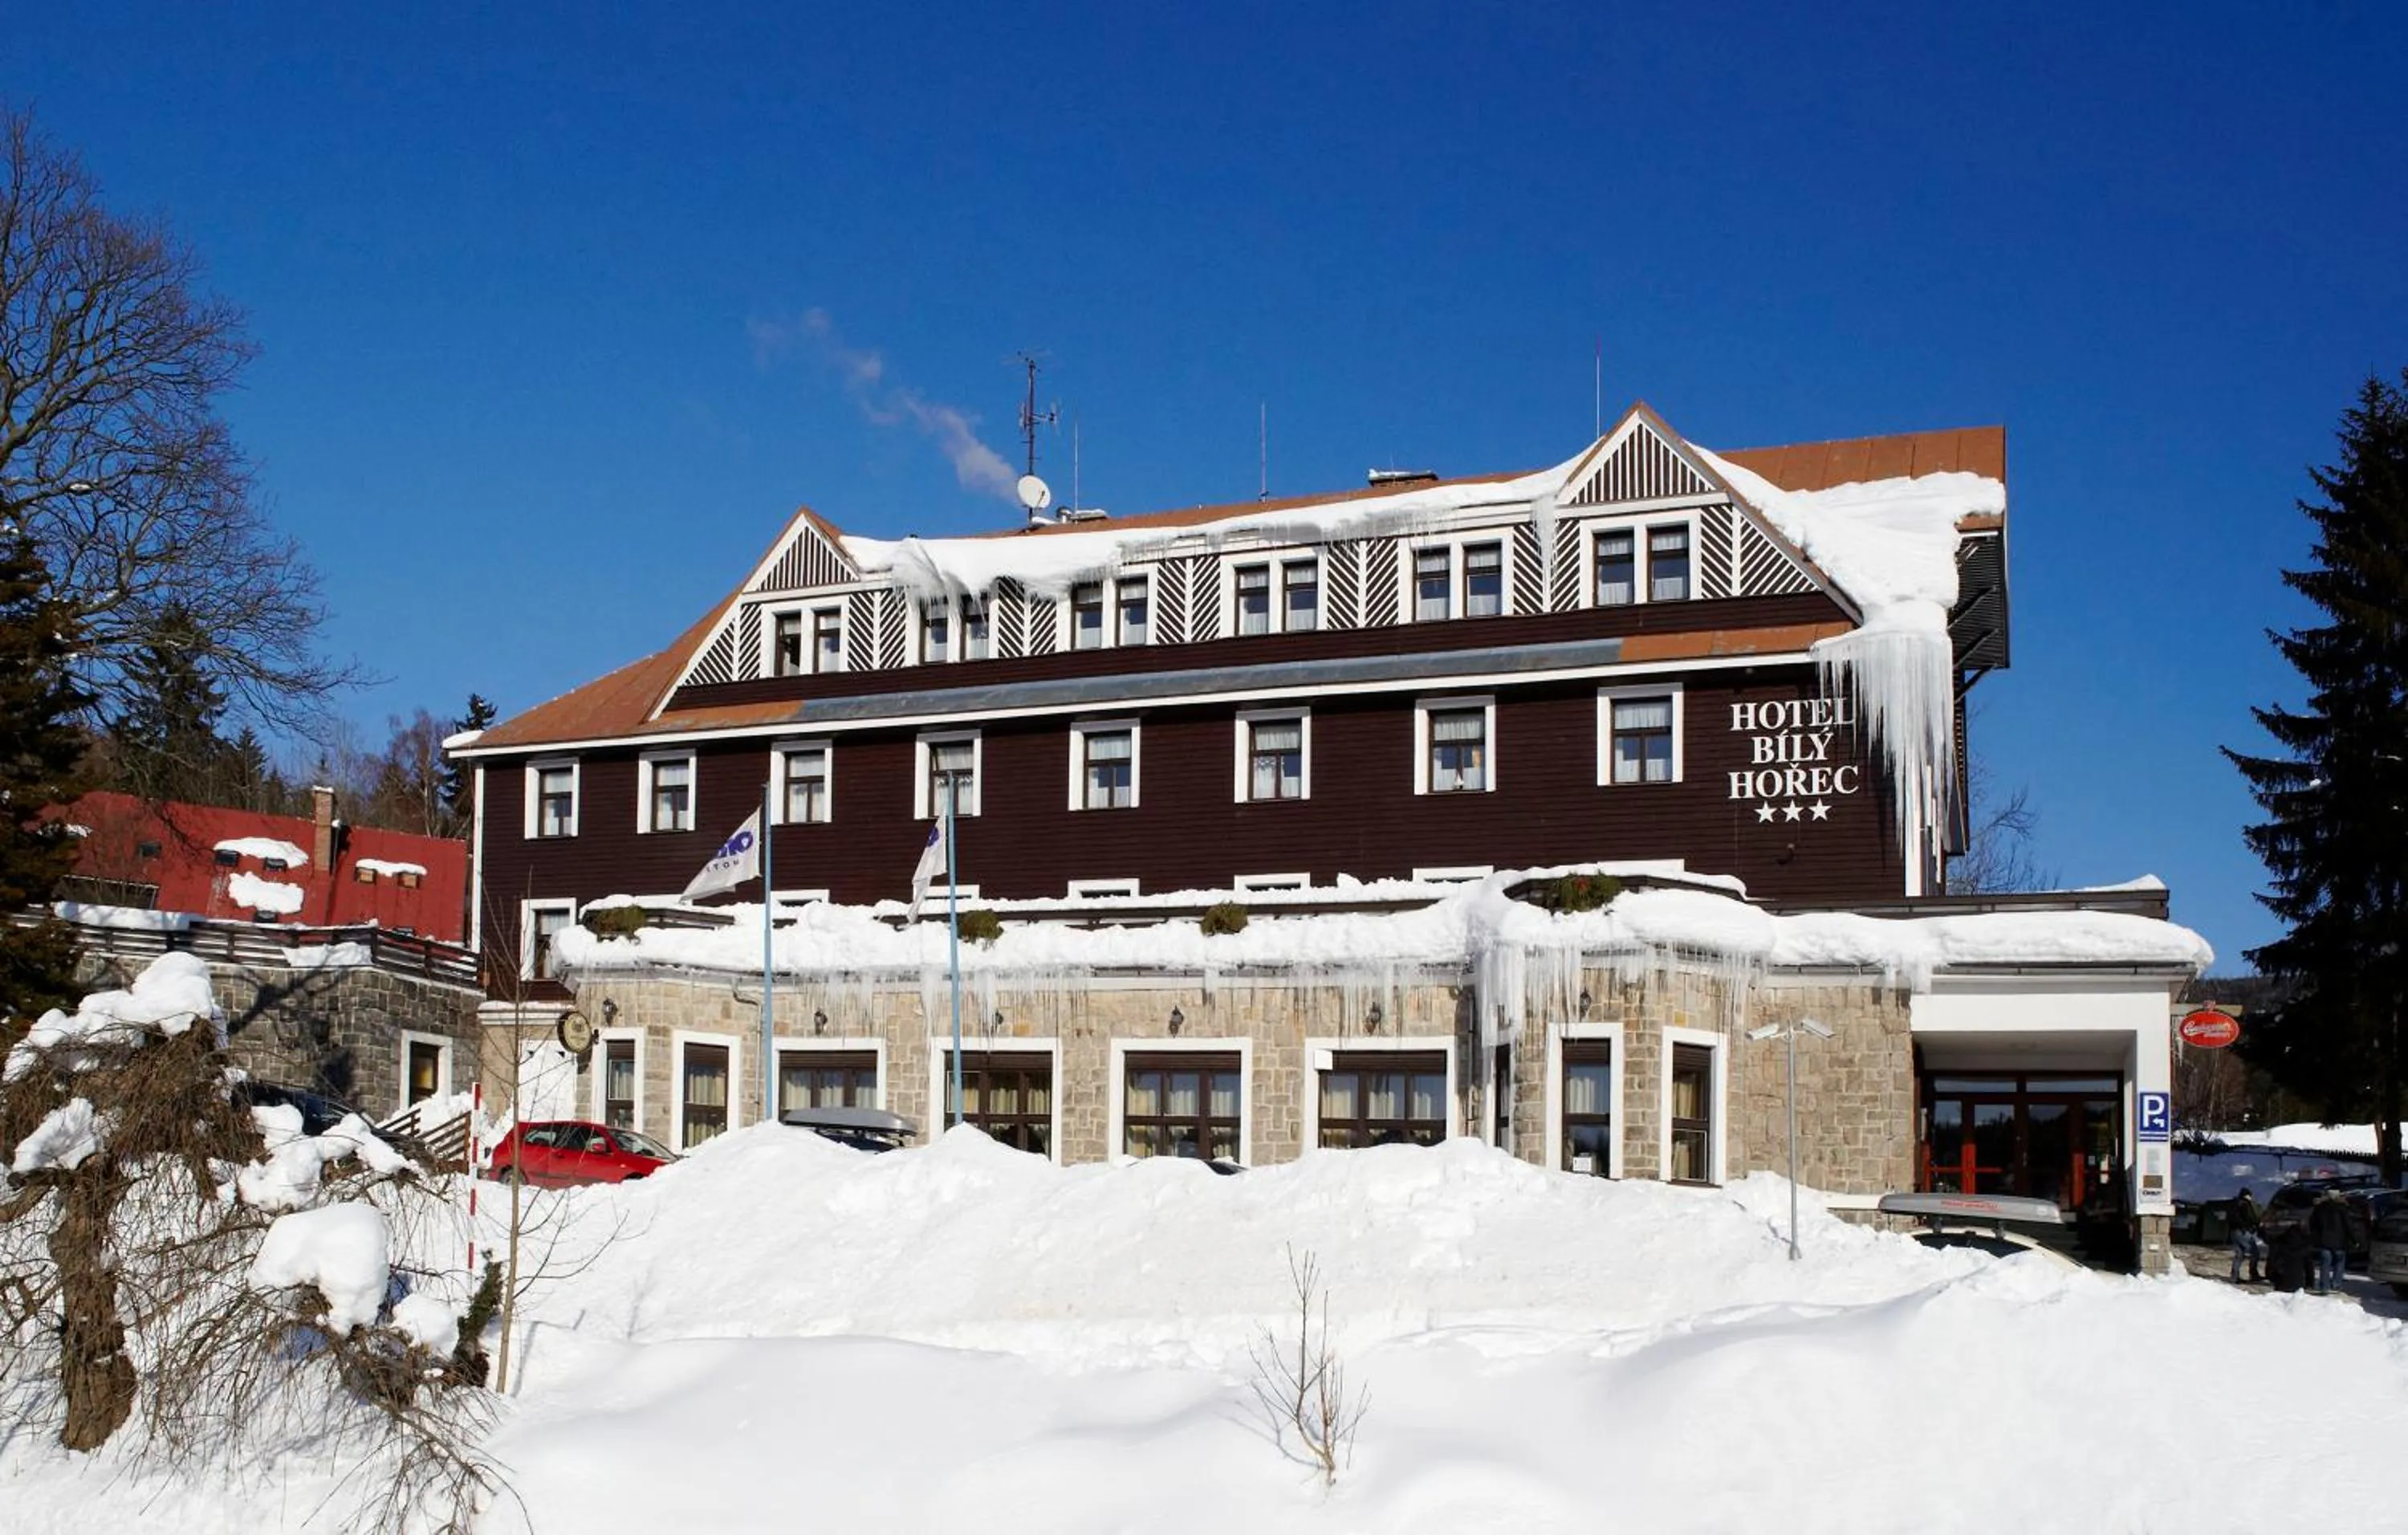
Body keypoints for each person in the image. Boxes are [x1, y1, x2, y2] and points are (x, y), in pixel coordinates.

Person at [2308, 1187, 2353, 1294]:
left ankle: (2324, 1287)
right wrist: (2354, 1239)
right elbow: (2348, 1225)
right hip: (2340, 1241)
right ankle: (2336, 1285)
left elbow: (2313, 1224)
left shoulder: (2320, 1208)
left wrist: (2315, 1237)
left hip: (2324, 1241)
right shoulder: (2343, 1208)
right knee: (2339, 1263)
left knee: (2325, 1264)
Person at [2228, 1188, 2266, 1284]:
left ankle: (2234, 1277)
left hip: (2234, 1232)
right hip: (2243, 1231)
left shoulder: (2234, 1203)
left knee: (2239, 1255)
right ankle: (2254, 1274)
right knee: (2255, 1252)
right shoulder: (2245, 1204)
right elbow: (2250, 1217)